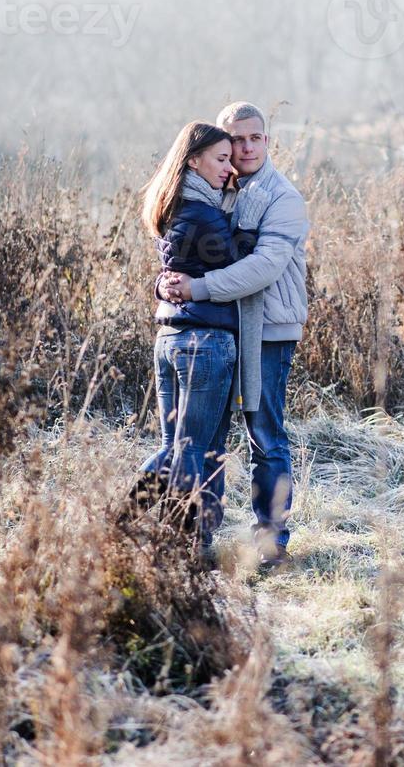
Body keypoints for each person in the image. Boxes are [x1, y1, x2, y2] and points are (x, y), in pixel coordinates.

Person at [158, 101, 309, 567]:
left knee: (265, 434)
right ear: (221, 144)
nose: (245, 148)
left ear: (267, 141)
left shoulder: (283, 198)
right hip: (220, 330)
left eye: (254, 138)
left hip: (267, 332)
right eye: (235, 140)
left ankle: (271, 542)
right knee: (209, 437)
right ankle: (197, 536)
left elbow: (263, 268)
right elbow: (182, 249)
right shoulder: (217, 186)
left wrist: (197, 287)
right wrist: (165, 283)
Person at [131, 121, 240, 550]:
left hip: (171, 337)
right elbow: (238, 263)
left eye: (230, 159)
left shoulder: (176, 206)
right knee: (192, 450)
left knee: (174, 445)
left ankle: (124, 523)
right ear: (193, 160)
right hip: (205, 343)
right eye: (220, 158)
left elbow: (174, 273)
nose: (228, 168)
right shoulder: (204, 215)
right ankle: (177, 544)